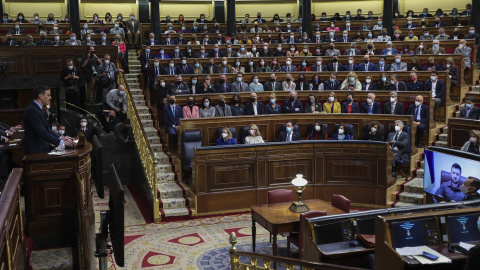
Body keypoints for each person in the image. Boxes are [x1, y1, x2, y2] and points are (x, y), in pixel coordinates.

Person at [23, 85, 75, 154]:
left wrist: (60, 138)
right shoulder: (32, 110)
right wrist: (61, 142)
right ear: (41, 96)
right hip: (36, 152)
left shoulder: (38, 108)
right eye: (48, 95)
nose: (50, 98)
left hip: (43, 148)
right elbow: (42, 132)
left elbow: (47, 128)